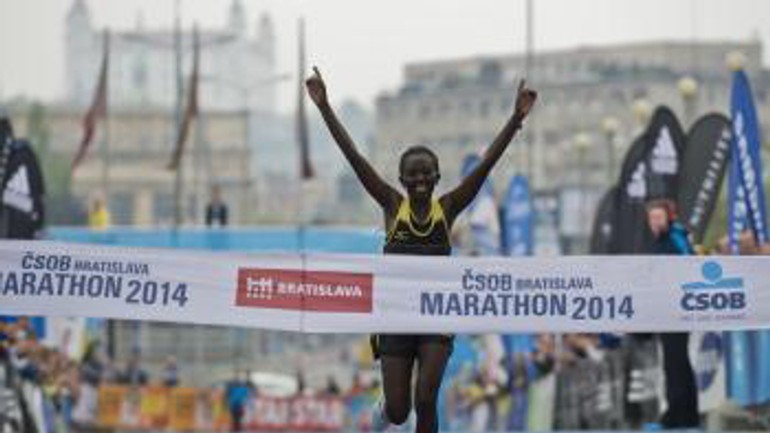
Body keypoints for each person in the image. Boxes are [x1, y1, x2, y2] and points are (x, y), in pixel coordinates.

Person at [306, 66, 536, 433]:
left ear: (437, 177)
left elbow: (486, 165)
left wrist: (515, 119)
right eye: (412, 175)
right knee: (400, 412)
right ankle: (385, 410)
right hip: (395, 315)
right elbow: (354, 157)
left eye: (426, 173)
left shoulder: (448, 208)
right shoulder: (391, 205)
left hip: (435, 315)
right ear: (401, 180)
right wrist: (324, 107)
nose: (420, 180)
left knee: (426, 398)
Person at [646, 199, 699, 429]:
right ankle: (678, 413)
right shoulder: (660, 241)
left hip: (679, 309)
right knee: (673, 362)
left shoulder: (676, 237)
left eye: (659, 217)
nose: (655, 222)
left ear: (669, 217)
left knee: (677, 362)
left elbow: (688, 263)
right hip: (665, 308)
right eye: (652, 218)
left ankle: (682, 415)